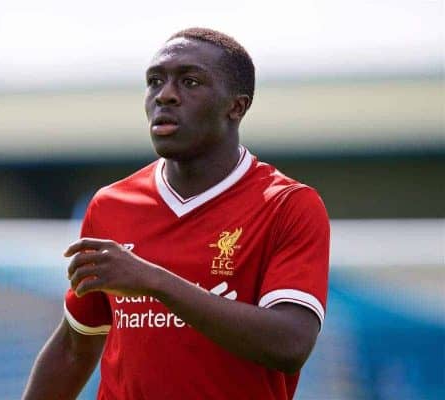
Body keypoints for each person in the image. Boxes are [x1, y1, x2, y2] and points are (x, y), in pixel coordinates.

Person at [23, 27, 330, 400]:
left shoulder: (287, 205)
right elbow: (75, 347)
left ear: (237, 105)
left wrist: (154, 281)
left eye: (190, 81)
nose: (165, 95)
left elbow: (290, 345)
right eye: (155, 81)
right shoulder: (110, 206)